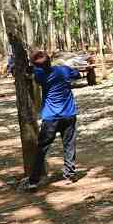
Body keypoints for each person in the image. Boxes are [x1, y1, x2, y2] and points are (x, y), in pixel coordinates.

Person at [24, 50, 81, 189]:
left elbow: (34, 74)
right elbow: (77, 74)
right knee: (69, 145)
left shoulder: (40, 75)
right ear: (50, 60)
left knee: (42, 148)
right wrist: (66, 68)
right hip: (69, 115)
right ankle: (70, 174)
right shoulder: (64, 70)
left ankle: (33, 181)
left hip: (50, 118)